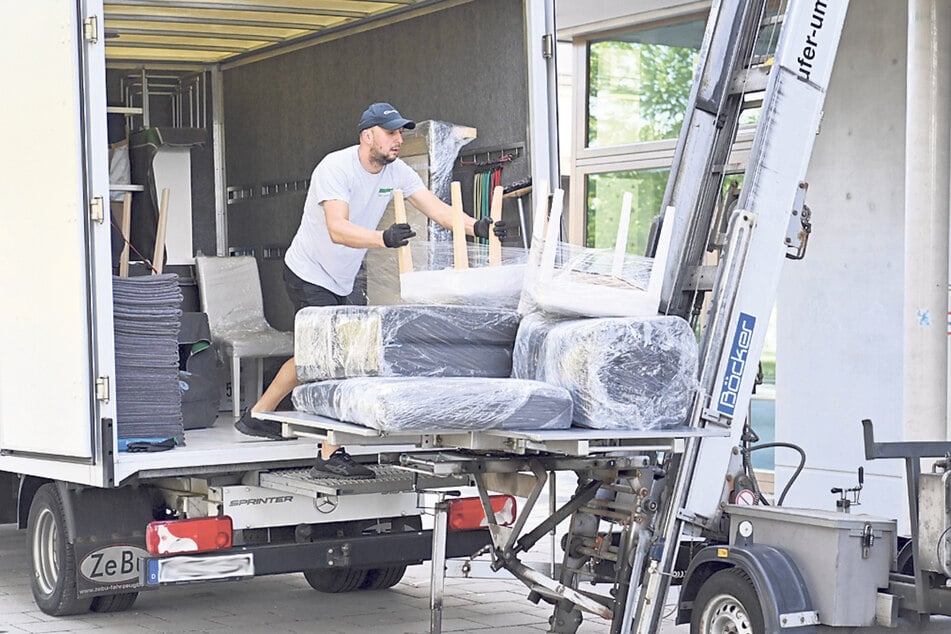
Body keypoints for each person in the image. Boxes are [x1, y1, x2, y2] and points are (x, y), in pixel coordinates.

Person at [235, 102, 506, 479]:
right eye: (391, 133)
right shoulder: (335, 168)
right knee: (335, 356)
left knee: (319, 353)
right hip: (308, 272)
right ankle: (330, 454)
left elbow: (438, 210)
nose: (398, 140)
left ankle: (258, 415)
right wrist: (384, 238)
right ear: (367, 136)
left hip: (340, 277)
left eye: (400, 133)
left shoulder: (397, 171)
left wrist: (478, 228)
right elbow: (337, 229)